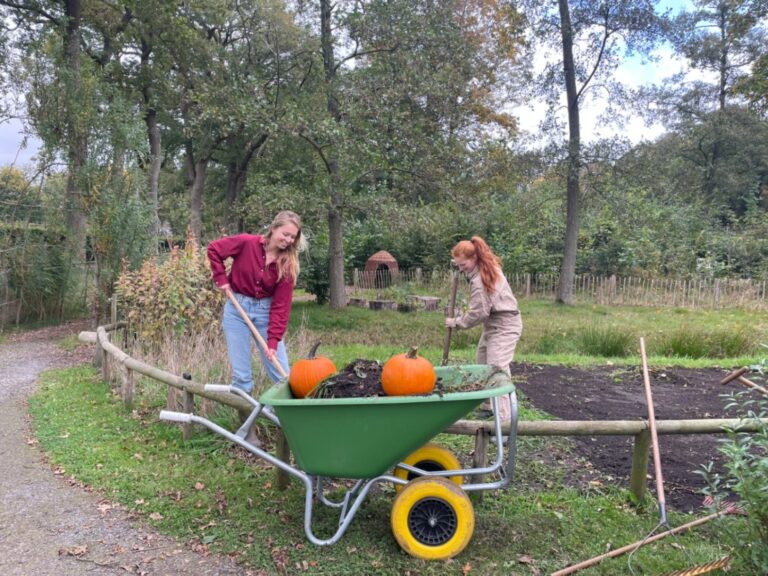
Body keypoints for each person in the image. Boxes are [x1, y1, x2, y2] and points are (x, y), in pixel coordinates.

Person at [207, 211, 305, 394]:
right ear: (274, 228)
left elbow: (281, 306)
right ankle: (246, 417)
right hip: (236, 311)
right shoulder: (246, 243)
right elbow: (214, 249)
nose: (289, 240)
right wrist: (221, 279)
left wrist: (273, 341)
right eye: (286, 234)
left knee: (282, 375)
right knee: (242, 377)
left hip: (265, 313)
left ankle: (291, 416)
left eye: (293, 237)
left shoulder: (288, 264)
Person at [444, 236, 522, 422]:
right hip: (493, 324)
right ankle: (488, 405)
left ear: (475, 259)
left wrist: (456, 322)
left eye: (463, 265)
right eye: (458, 266)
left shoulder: (481, 281)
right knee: (482, 361)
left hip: (505, 325)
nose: (461, 269)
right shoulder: (486, 266)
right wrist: (458, 262)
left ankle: (505, 423)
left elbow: (478, 312)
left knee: (497, 370)